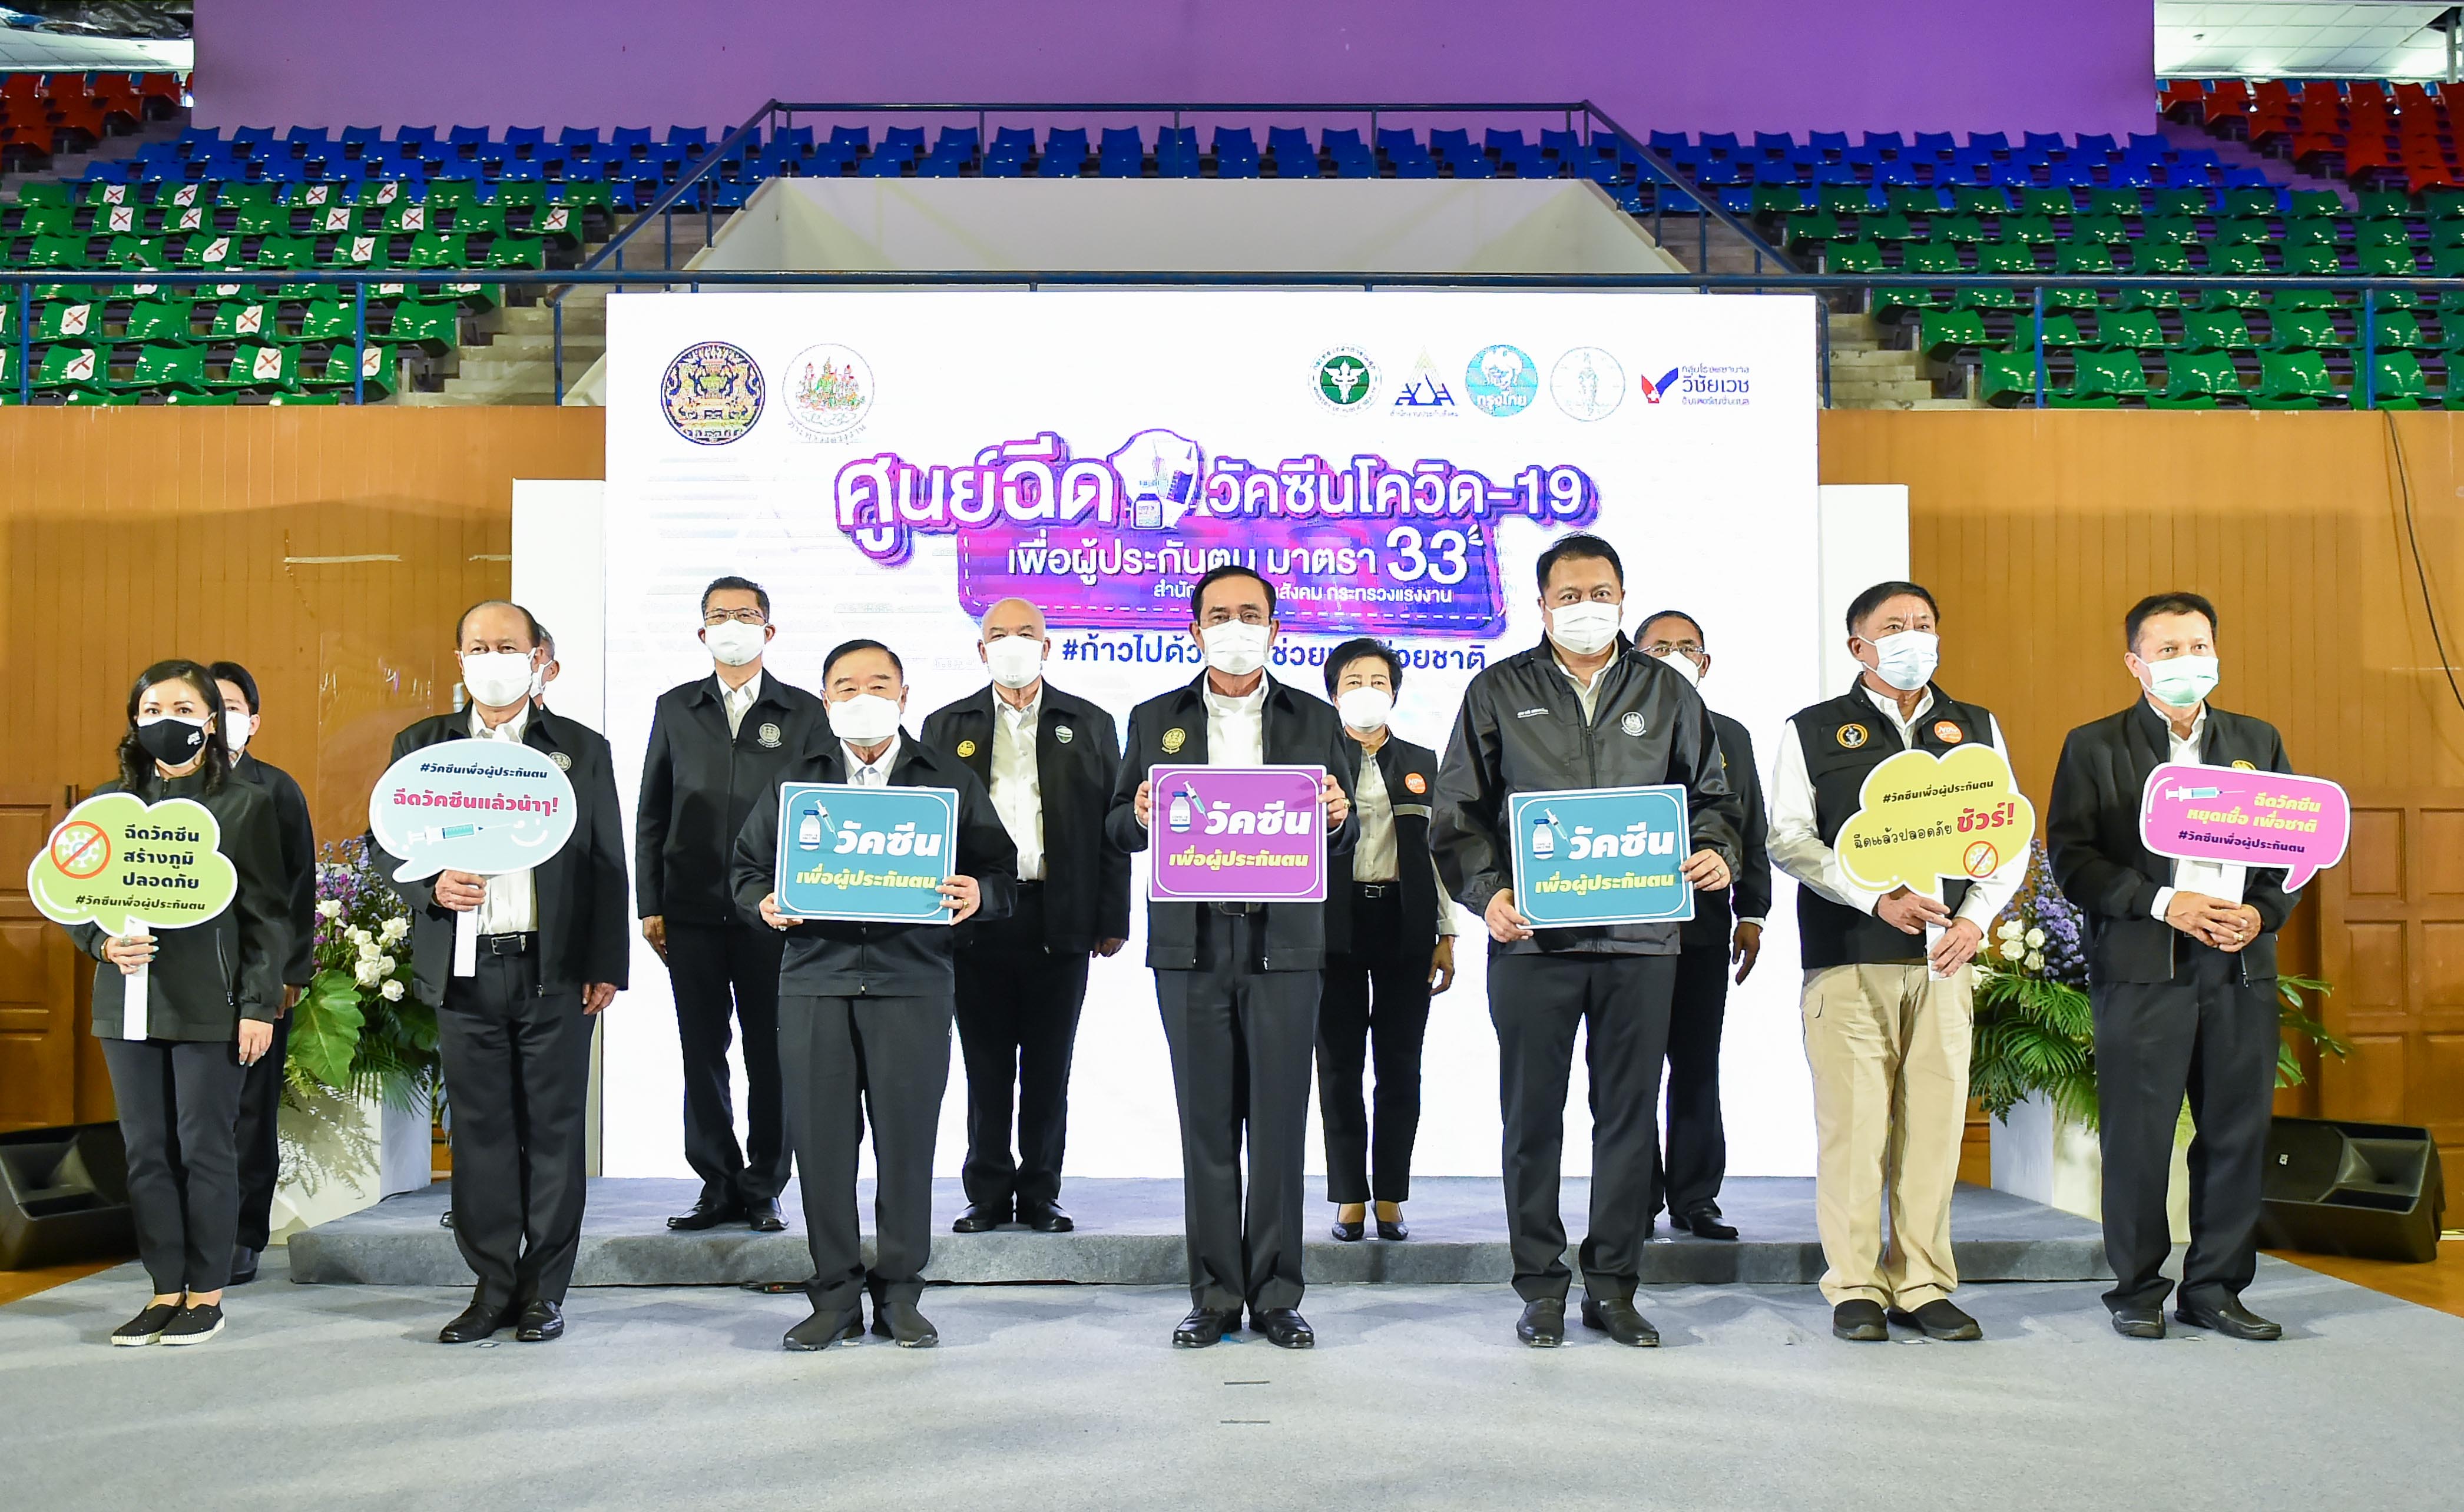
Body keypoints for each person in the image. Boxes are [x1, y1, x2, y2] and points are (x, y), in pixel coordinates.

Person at [1432, 535, 1742, 1350]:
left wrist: (1716, 850)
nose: (1585, 607)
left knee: (1628, 1119)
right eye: (1568, 596)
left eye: (1599, 593)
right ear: (1541, 606)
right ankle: (1539, 1286)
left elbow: (1712, 798)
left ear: (1622, 598)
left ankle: (1613, 1285)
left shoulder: (1666, 690)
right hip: (1533, 941)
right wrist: (1488, 893)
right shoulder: (1498, 690)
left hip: (1642, 940)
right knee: (1532, 1118)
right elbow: (1458, 812)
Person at [732, 638, 1017, 1352]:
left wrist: (979, 895)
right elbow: (745, 869)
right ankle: (833, 1295)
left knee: (906, 1146)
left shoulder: (945, 779)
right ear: (825, 700)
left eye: (879, 684)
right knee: (822, 1149)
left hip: (912, 983)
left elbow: (999, 873)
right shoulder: (796, 781)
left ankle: (899, 1293)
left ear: (904, 696)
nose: (863, 697)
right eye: (846, 686)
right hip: (815, 982)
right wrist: (761, 902)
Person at [1767, 579, 2024, 1344]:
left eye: (1923, 624)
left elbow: (2005, 836)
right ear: (1858, 646)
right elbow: (1788, 838)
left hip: (1944, 961)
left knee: (1935, 1129)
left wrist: (1975, 919)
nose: (1912, 637)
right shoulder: (1813, 730)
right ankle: (1854, 1286)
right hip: (1848, 959)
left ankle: (1921, 1283)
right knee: (1853, 1130)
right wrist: (1872, 897)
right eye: (1893, 627)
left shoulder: (1974, 727)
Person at [1106, 565, 1356, 1349]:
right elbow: (1117, 827)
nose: (1235, 626)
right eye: (1220, 614)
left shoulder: (1315, 717)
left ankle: (1277, 1295)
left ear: (1275, 629)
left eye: (1251, 614)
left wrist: (1339, 816)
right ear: (1194, 629)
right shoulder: (1155, 717)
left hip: (1286, 941)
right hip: (1192, 943)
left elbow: (1343, 828)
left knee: (1279, 1124)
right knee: (1206, 1126)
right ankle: (1213, 1296)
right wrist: (1138, 812)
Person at [376, 600, 630, 1345]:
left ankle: (544, 1292)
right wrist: (430, 885)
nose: (494, 658)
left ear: (538, 657)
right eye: (479, 647)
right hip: (465, 974)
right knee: (480, 1132)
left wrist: (606, 964)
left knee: (554, 1133)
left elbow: (606, 859)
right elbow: (385, 845)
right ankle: (490, 1288)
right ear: (459, 659)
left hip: (555, 969)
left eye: (508, 646)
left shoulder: (580, 749)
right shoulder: (422, 746)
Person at [2047, 592, 2299, 1342]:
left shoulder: (2255, 739)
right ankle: (2135, 1288)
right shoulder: (2094, 745)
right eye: (2167, 650)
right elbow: (2073, 861)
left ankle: (2215, 1288)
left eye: (2198, 646)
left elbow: (2290, 850)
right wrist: (2164, 903)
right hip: (2142, 969)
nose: (2186, 660)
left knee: (2234, 1134)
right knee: (2138, 1136)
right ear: (2135, 663)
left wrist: (2262, 913)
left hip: (2238, 966)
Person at [65, 660, 289, 1347]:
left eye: (185, 709)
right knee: (145, 1152)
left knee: (205, 1149)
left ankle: (206, 1294)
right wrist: (101, 942)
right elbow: (70, 893)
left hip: (210, 1006)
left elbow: (267, 917)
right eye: (153, 709)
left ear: (211, 722)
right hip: (126, 1004)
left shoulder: (245, 804)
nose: (169, 720)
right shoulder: (108, 804)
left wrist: (258, 1006)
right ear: (135, 721)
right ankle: (164, 1289)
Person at [921, 598, 1129, 1236]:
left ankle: (1041, 1192)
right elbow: (925, 823)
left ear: (1047, 646)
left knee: (1048, 1065)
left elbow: (1111, 824)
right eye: (999, 634)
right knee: (984, 1065)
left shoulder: (1089, 722)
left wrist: (1111, 916)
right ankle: (986, 1192)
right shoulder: (944, 724)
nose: (1012, 643)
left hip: (1057, 913)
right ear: (981, 649)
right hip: (973, 916)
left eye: (1026, 633)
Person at [637, 575, 826, 1234]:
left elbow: (823, 807)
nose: (732, 626)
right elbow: (652, 811)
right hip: (689, 910)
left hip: (774, 912)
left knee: (773, 1054)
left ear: (768, 631)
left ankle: (765, 1184)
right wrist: (651, 902)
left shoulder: (804, 711)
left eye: (745, 615)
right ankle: (716, 1182)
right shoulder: (674, 707)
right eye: (719, 616)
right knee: (702, 1051)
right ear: (702, 632)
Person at [1632, 612, 1771, 1242]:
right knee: (1628, 1068)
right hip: (1624, 929)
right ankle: (1633, 1198)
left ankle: (1695, 1197)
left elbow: (1750, 826)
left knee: (1695, 1063)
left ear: (1705, 663)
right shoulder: (1608, 731)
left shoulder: (1730, 735)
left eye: (1687, 647)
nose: (1675, 656)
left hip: (1705, 925)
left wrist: (1753, 911)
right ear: (1634, 659)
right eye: (1660, 647)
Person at [1314, 637, 1455, 1244]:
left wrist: (1445, 932)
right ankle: (1349, 1195)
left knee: (1400, 1067)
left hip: (1405, 924)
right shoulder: (1313, 762)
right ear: (1334, 694)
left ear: (1394, 693)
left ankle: (1391, 1195)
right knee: (1339, 1067)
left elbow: (1438, 854)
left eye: (1377, 681)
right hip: (1332, 927)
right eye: (1353, 681)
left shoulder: (1422, 761)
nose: (1366, 691)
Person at [209, 661, 318, 1286]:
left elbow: (297, 887)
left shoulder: (275, 789)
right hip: (188, 979)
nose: (219, 718)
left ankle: (243, 1234)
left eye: (231, 706)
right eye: (209, 705)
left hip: (258, 976)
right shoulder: (166, 789)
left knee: (250, 1112)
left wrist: (289, 973)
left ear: (253, 720)